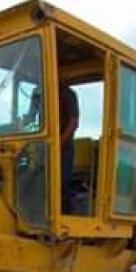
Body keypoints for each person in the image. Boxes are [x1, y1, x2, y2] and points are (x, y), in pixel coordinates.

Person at [58, 82, 79, 213]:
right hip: (44, 145)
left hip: (64, 146)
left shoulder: (68, 94)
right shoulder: (38, 93)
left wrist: (59, 143)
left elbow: (73, 122)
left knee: (62, 181)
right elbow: (31, 116)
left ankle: (66, 213)